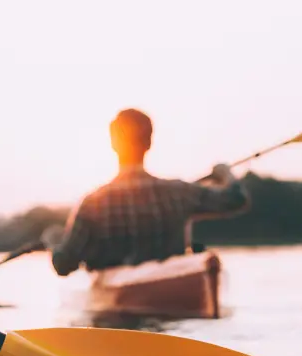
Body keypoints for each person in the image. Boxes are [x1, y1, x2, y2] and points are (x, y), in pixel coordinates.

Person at [44, 108, 251, 276]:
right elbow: (236, 199)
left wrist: (53, 241)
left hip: (114, 312)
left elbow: (64, 264)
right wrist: (225, 174)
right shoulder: (179, 192)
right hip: (171, 287)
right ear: (149, 143)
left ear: (113, 144)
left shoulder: (92, 204)